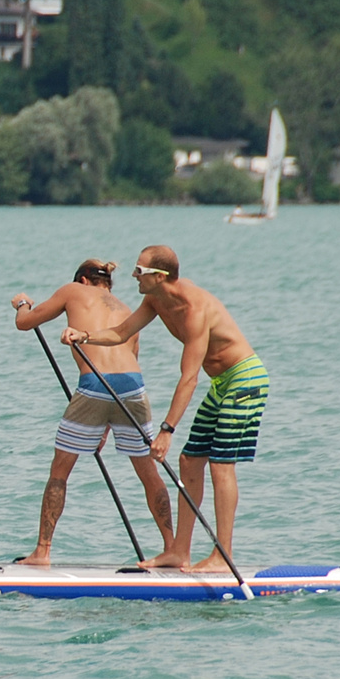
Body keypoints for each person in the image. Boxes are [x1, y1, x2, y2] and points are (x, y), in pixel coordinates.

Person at [61, 246, 268, 573]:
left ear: (161, 277)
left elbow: (189, 377)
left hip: (245, 381)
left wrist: (166, 430)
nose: (132, 276)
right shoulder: (155, 299)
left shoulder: (194, 307)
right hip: (221, 384)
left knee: (220, 466)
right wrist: (84, 335)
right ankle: (179, 552)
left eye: (139, 271)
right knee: (189, 461)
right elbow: (121, 332)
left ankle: (221, 555)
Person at [11, 258, 174, 566]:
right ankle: (172, 548)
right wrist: (106, 427)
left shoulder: (73, 290)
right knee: (149, 474)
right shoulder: (126, 308)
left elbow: (25, 322)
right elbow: (129, 359)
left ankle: (42, 552)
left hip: (93, 387)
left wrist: (22, 302)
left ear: (83, 280)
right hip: (133, 387)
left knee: (59, 472)